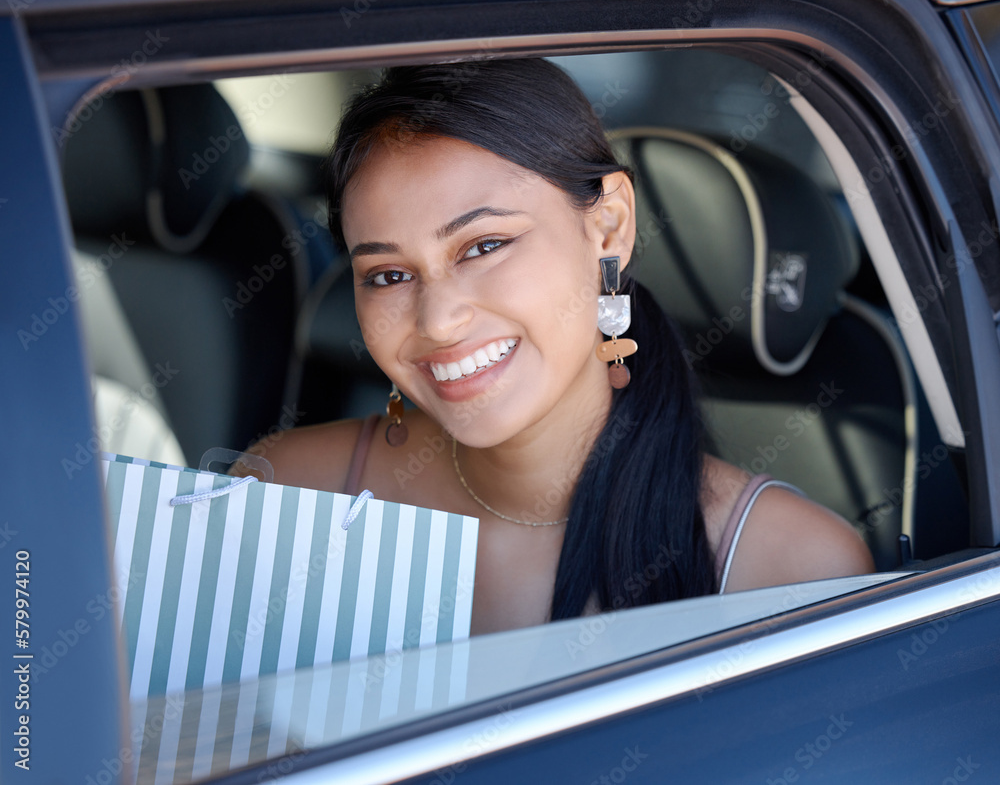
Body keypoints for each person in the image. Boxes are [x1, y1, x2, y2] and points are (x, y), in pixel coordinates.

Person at [242, 58, 874, 636]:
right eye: (388, 275)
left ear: (609, 227)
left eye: (484, 246)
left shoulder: (790, 569)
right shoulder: (282, 494)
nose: (437, 322)